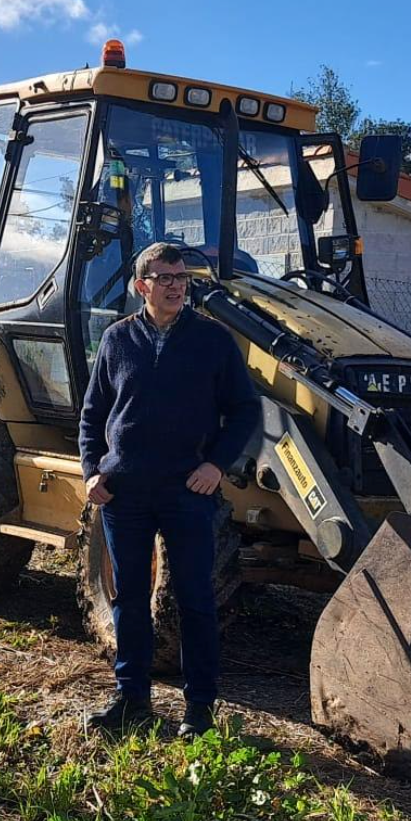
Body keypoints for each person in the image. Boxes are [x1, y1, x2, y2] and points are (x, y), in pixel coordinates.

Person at [78, 242, 261, 736]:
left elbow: (245, 410)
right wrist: (92, 470)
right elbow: (93, 415)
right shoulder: (117, 339)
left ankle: (199, 708)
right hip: (125, 493)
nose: (177, 286)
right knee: (129, 598)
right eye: (165, 278)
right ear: (142, 286)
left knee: (195, 598)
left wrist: (216, 465)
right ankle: (131, 699)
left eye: (182, 278)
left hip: (188, 492)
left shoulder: (213, 341)